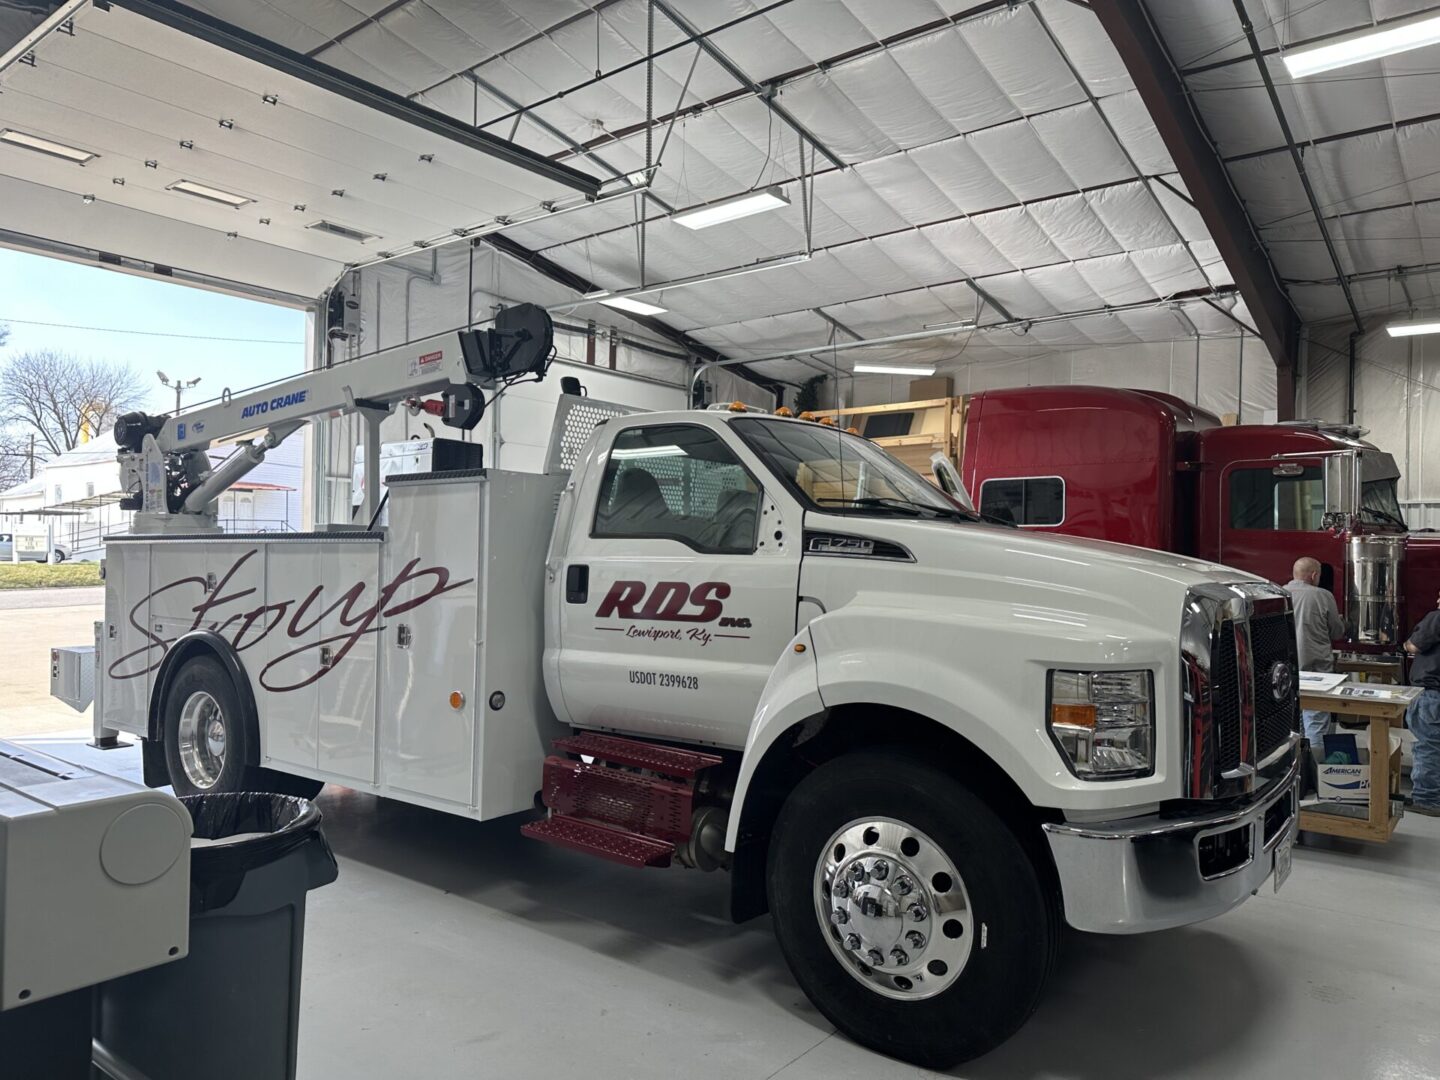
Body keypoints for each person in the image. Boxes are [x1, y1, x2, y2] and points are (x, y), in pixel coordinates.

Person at [1284, 556, 1345, 750]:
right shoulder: (1323, 596)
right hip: (1317, 672)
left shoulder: (1279, 594)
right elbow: (1337, 632)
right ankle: (1316, 775)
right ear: (1314, 575)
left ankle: (1297, 773)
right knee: (1316, 723)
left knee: (1291, 726)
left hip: (1285, 671)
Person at [1403, 591, 1440, 816]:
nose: (1437, 599)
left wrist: (1408, 643)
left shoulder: (1437, 617)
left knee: (1427, 746)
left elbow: (1414, 646)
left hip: (1431, 693)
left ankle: (1427, 800)